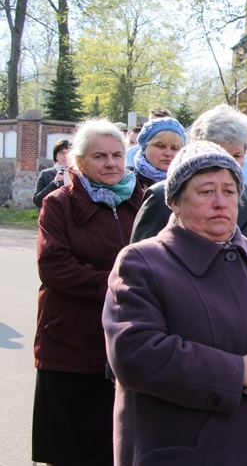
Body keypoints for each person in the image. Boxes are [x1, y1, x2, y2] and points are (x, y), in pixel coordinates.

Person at [103, 141, 247, 465]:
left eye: (230, 192)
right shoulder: (142, 262)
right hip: (180, 449)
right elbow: (134, 353)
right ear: (175, 201)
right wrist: (235, 372)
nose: (221, 203)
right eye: (206, 192)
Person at [32, 119, 144, 465]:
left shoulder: (142, 201)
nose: (111, 163)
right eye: (100, 156)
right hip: (71, 342)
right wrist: (118, 287)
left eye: (117, 155)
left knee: (115, 446)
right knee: (69, 447)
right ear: (78, 163)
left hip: (125, 341)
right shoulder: (59, 204)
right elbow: (54, 267)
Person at [130, 104, 247, 246]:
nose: (228, 165)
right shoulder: (162, 196)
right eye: (219, 155)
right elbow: (141, 262)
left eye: (237, 155)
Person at [132, 117, 186, 190]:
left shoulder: (188, 183)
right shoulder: (129, 184)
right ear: (144, 148)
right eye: (160, 146)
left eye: (175, 148)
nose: (168, 153)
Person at [33, 138, 72, 208]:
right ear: (56, 156)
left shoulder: (79, 174)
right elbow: (37, 201)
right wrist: (54, 183)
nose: (65, 156)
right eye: (62, 153)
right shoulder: (46, 174)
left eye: (68, 153)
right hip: (52, 215)